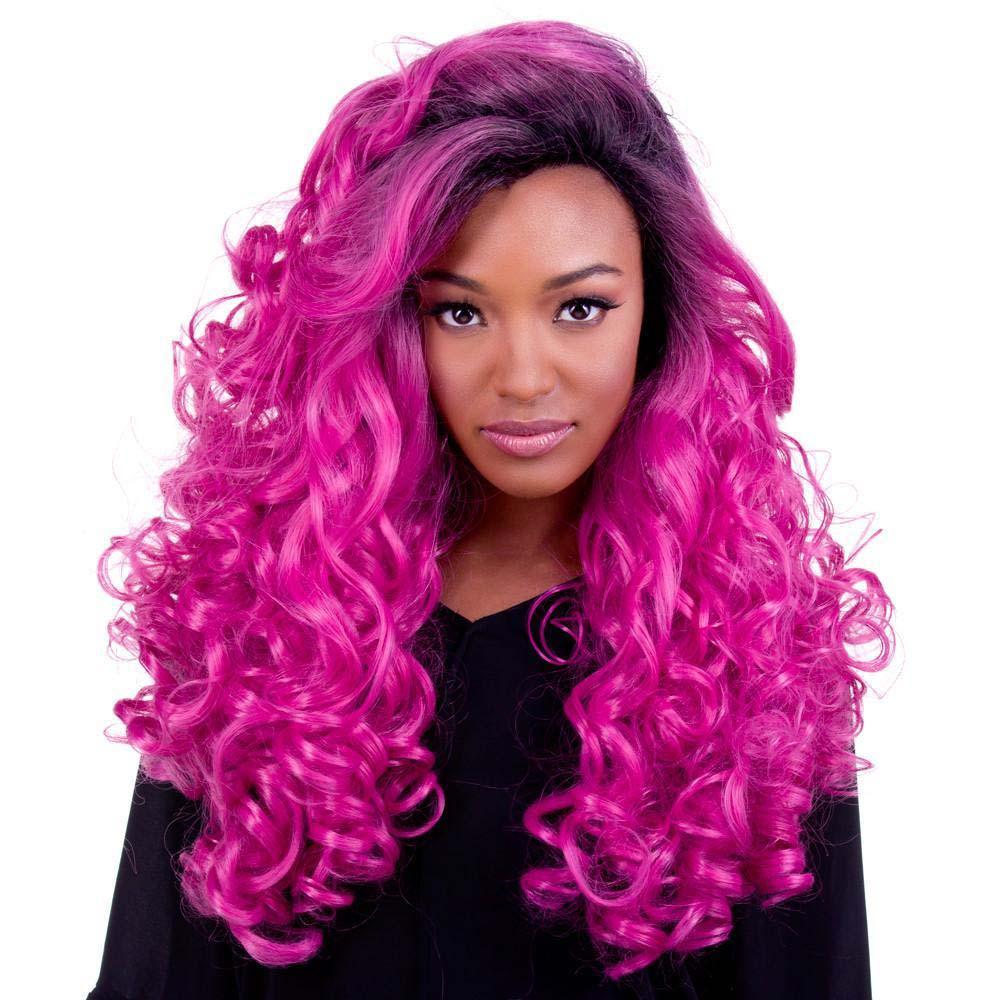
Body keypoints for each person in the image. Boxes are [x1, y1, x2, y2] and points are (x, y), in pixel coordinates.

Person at [88, 19, 894, 999]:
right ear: (392, 325)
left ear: (658, 316)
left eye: (580, 308)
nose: (522, 377)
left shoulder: (752, 656)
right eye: (460, 311)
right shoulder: (263, 628)